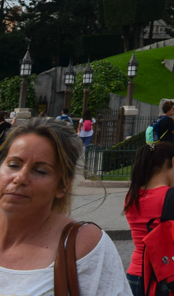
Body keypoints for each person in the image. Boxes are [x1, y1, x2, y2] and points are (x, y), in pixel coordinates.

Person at [0, 117, 131, 295]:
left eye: (40, 171)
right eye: (14, 165)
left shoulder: (84, 245)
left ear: (63, 185)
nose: (20, 178)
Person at [123, 141, 174, 295]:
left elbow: (155, 203)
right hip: (166, 277)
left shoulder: (131, 196)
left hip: (135, 275)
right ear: (173, 161)